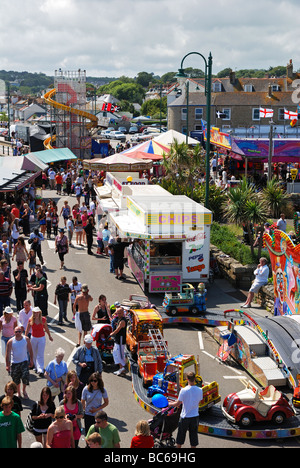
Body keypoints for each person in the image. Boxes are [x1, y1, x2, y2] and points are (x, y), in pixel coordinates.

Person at [169, 371, 203, 448]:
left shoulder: (183, 390)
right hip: (195, 416)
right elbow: (199, 401)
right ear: (194, 379)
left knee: (180, 437)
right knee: (193, 437)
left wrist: (169, 404)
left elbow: (178, 403)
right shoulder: (200, 390)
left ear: (187, 379)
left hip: (185, 416)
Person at [6, 326, 33, 399]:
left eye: (19, 331)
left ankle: (24, 390)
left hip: (24, 362)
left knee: (25, 377)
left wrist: (31, 361)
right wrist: (7, 365)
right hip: (14, 363)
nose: (18, 333)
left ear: (22, 331)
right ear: (14, 332)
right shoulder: (11, 341)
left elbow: (30, 350)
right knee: (16, 379)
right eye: (16, 332)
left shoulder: (26, 339)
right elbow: (7, 353)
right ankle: (18, 392)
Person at [25, 306, 53, 377]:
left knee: (40, 354)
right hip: (33, 338)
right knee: (34, 353)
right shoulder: (30, 320)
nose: (36, 314)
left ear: (39, 313)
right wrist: (25, 337)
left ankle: (40, 369)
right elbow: (27, 329)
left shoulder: (43, 319)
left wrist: (49, 336)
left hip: (41, 338)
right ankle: (35, 366)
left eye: (37, 313)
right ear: (33, 313)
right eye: (35, 313)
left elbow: (46, 328)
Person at [109, 307, 127, 376]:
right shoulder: (118, 319)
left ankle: (122, 367)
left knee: (119, 354)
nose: (118, 314)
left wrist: (111, 334)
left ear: (123, 313)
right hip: (117, 339)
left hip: (120, 340)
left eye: (120, 313)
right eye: (117, 313)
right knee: (115, 353)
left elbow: (117, 330)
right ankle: (121, 367)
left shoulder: (123, 321)